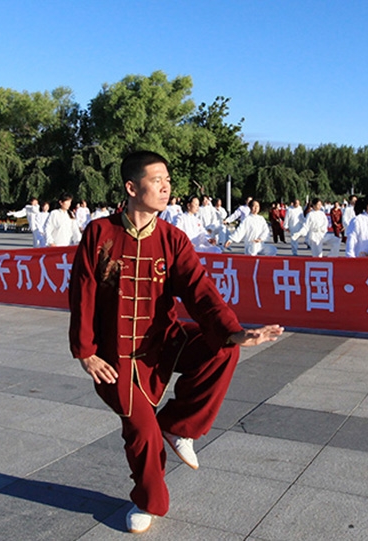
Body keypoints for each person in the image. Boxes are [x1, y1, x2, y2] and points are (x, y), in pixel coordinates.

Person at [68, 150, 283, 534]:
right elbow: (82, 292)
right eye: (157, 180)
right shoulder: (99, 234)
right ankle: (148, 500)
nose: (166, 187)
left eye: (168, 179)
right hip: (114, 359)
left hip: (162, 342)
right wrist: (85, 352)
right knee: (141, 431)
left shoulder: (173, 239)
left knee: (223, 348)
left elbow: (200, 291)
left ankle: (180, 425)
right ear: (132, 187)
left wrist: (235, 331)